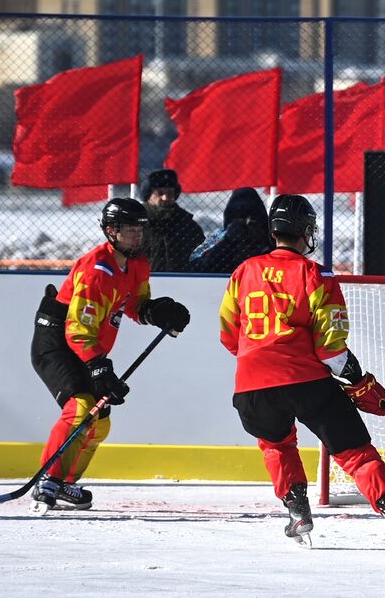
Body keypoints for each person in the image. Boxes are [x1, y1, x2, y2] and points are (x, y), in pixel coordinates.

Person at [219, 194, 385, 551]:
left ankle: (297, 512)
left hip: (251, 385)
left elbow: (229, 334)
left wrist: (260, 361)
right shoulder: (314, 274)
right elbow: (330, 349)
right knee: (355, 453)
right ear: (305, 230)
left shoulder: (244, 271)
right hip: (306, 382)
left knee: (276, 444)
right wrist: (360, 380)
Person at [29, 198, 192, 511]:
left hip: (84, 344)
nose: (138, 235)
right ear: (110, 231)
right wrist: (98, 368)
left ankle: (63, 483)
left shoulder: (138, 263)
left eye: (141, 228)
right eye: (130, 229)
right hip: (56, 341)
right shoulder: (96, 271)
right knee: (80, 409)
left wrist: (158, 312)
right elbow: (76, 330)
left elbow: (134, 305)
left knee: (99, 422)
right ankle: (47, 479)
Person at [188, 187, 272, 273]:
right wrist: (227, 241)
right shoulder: (219, 236)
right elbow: (196, 264)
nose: (245, 225)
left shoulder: (270, 239)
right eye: (240, 219)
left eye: (251, 220)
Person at [140, 169, 204, 272]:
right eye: (160, 193)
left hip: (182, 283)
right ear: (148, 195)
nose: (165, 198)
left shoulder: (187, 225)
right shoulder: (136, 223)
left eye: (170, 193)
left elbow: (201, 257)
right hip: (142, 283)